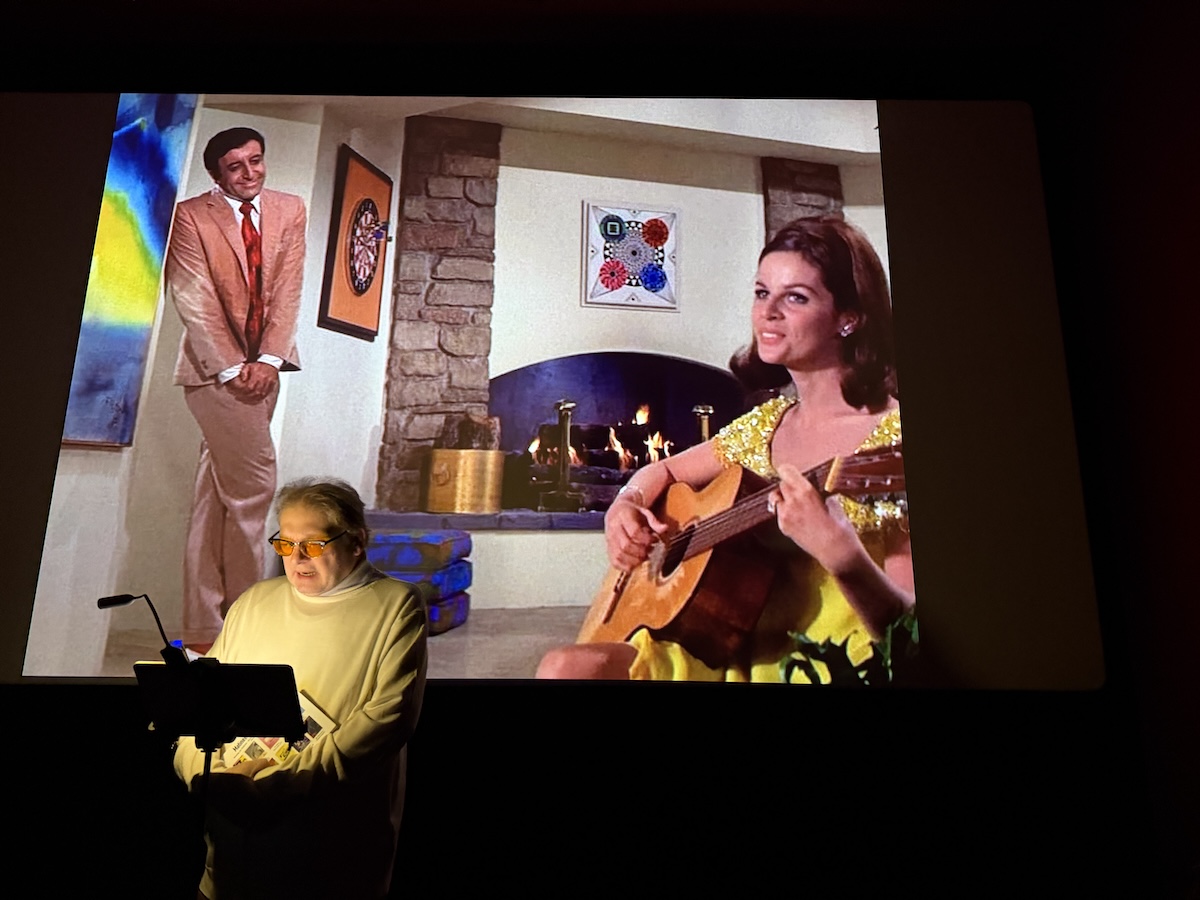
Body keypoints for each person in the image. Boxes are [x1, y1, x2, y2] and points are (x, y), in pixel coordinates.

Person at [537, 215, 914, 682]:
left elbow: (910, 637)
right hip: (720, 644)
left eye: (795, 297)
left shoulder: (893, 442)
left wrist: (842, 555)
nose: (768, 312)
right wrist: (625, 504)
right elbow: (663, 472)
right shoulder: (766, 424)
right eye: (762, 292)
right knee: (564, 668)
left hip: (823, 666)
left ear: (849, 317)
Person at [173, 478, 428, 899]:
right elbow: (204, 702)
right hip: (233, 840)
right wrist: (203, 775)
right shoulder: (256, 601)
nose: (297, 558)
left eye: (312, 544)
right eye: (286, 544)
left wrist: (273, 787)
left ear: (357, 542)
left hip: (328, 843)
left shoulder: (395, 605)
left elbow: (386, 720)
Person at [165, 126, 307, 653]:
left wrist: (268, 360)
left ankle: (207, 630)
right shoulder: (191, 216)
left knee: (217, 498)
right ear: (215, 174)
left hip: (266, 370)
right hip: (213, 374)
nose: (249, 173)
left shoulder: (290, 209)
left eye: (256, 161)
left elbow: (289, 289)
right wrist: (233, 368)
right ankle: (249, 626)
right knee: (253, 492)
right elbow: (193, 295)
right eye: (235, 166)